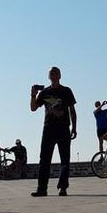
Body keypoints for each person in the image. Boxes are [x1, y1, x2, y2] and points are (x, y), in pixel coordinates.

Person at [29, 67, 76, 197]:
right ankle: (41, 189)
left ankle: (63, 188)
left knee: (65, 159)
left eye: (56, 73)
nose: (54, 75)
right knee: (44, 159)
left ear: (60, 76)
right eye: (52, 73)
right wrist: (33, 95)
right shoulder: (44, 92)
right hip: (49, 128)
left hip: (63, 128)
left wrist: (74, 128)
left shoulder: (66, 91)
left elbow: (72, 110)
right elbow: (33, 108)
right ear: (49, 76)